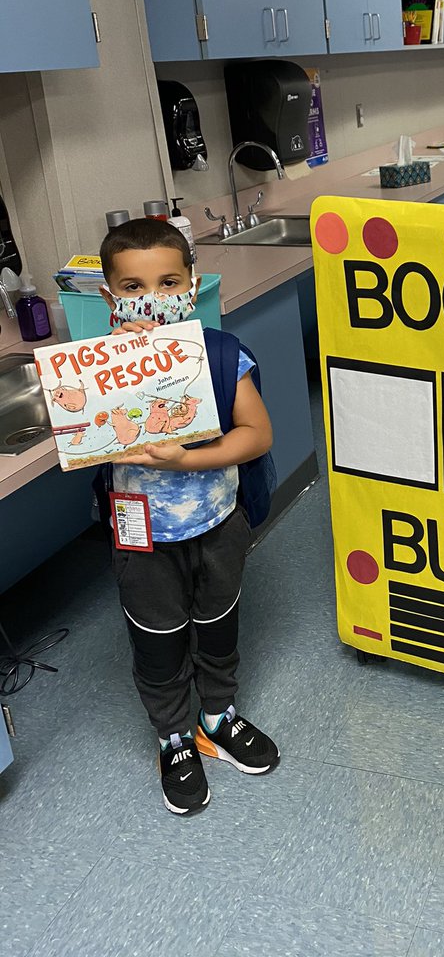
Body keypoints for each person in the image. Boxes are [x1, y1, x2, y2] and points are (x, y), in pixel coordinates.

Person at [98, 218, 279, 816]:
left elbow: (256, 435)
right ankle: (174, 736)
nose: (150, 299)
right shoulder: (94, 372)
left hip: (218, 524)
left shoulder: (222, 354)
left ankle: (218, 715)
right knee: (156, 640)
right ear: (108, 296)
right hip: (141, 534)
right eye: (132, 287)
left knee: (219, 623)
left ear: (193, 284)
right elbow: (76, 436)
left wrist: (189, 458)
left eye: (168, 281)